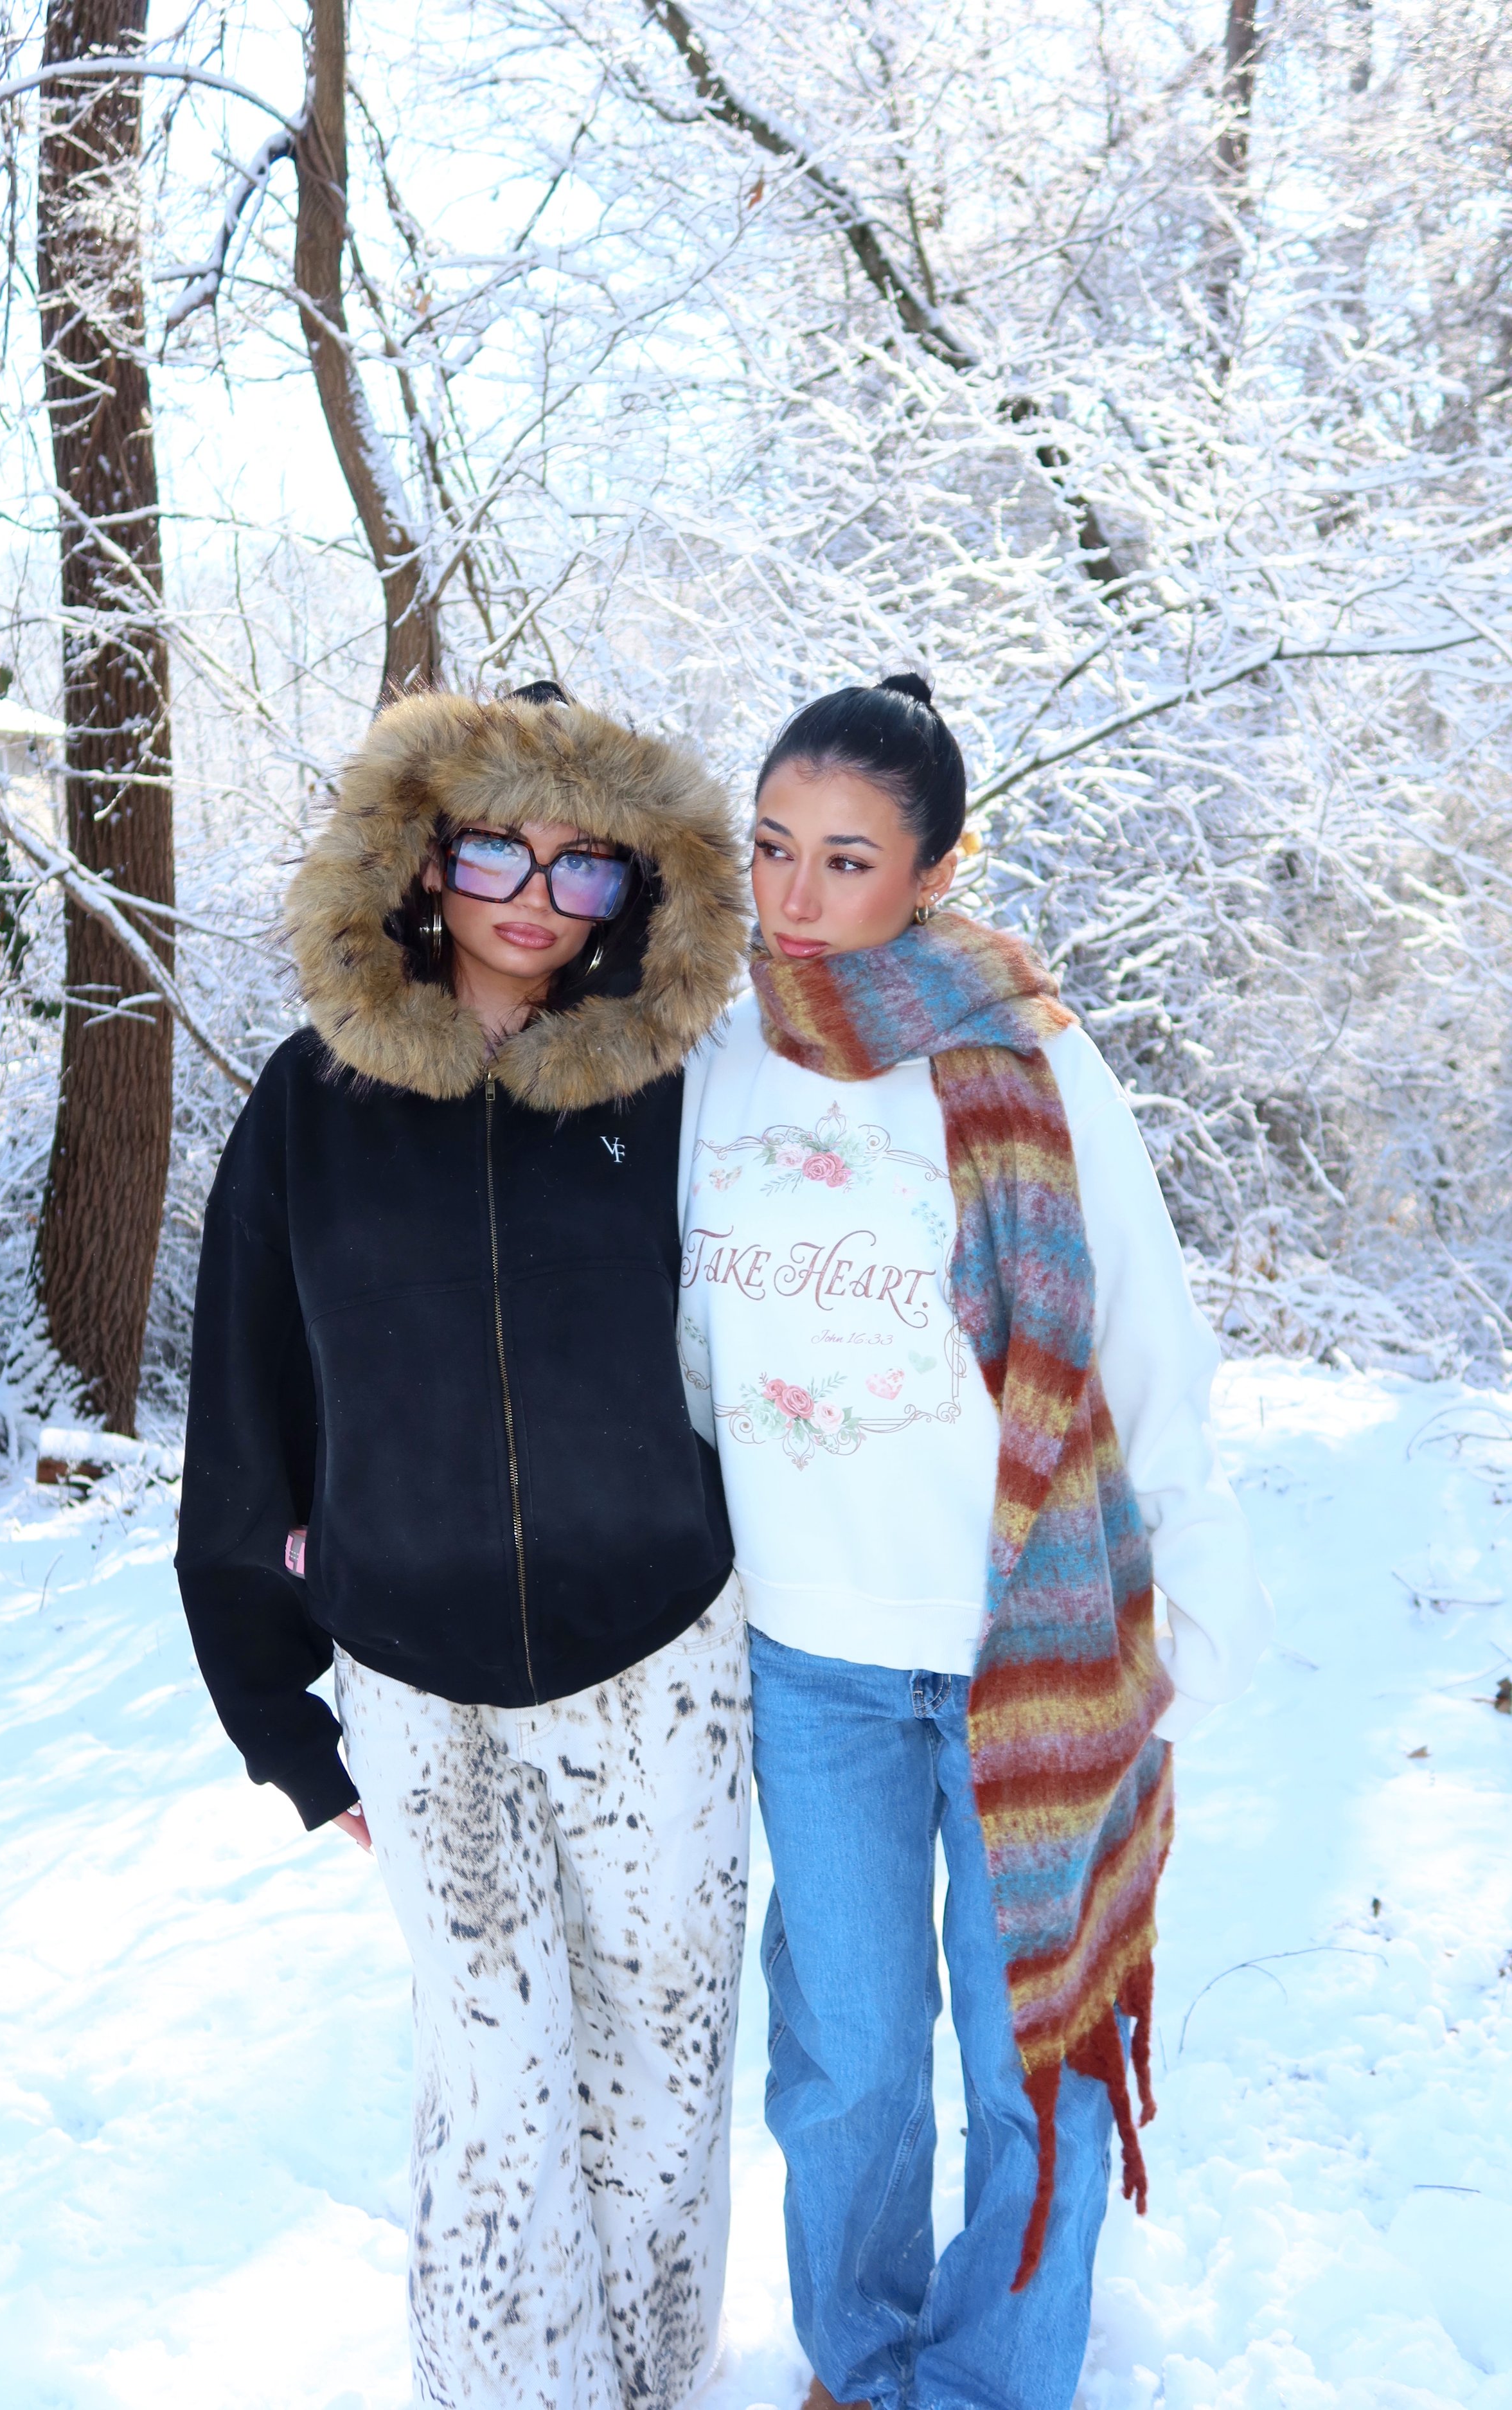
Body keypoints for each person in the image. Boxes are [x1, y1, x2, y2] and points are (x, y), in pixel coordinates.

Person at [677, 674, 1272, 2410]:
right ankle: (858, 2367)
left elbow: (1141, 1339)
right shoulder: (714, 1054)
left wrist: (1185, 1586)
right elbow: (695, 1357)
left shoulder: (1027, 1054)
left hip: (1025, 1634)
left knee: (1031, 2057)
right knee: (848, 2059)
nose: (789, 897)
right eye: (769, 847)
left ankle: (994, 2379)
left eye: (842, 858)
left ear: (933, 872)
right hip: (815, 1645)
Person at [177, 683, 753, 2410]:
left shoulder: (686, 1093)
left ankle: (657, 2383)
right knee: (489, 2084)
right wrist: (279, 1718)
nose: (533, 892)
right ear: (420, 856)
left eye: (586, 866)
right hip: (418, 1678)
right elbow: (243, 1409)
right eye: (499, 843)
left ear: (634, 897)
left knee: (662, 2063)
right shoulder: (313, 1102)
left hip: (664, 1655)